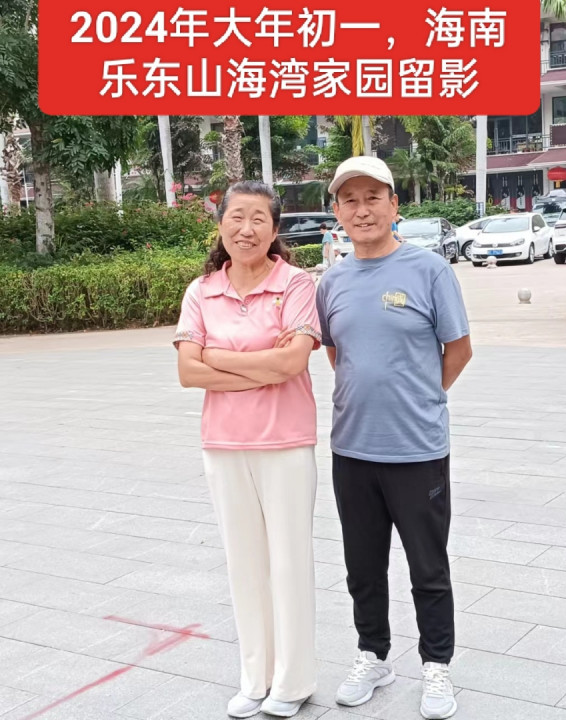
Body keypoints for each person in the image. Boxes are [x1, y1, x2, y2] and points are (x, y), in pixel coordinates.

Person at [316, 157, 472, 720]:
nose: (362, 210)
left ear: (394, 205)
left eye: (373, 198)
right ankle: (373, 655)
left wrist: (421, 397)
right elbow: (336, 352)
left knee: (428, 567)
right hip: (352, 448)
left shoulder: (429, 270)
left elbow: (459, 349)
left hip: (417, 449)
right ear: (338, 212)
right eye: (350, 200)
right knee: (362, 566)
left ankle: (437, 664)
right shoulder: (331, 281)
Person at [174, 181, 322, 719]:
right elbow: (188, 373)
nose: (246, 229)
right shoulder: (201, 291)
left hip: (285, 443)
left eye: (259, 218)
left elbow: (292, 363)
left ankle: (293, 681)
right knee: (244, 565)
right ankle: (254, 677)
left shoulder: (296, 284)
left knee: (289, 562)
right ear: (220, 226)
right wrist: (262, 367)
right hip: (223, 443)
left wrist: (216, 356)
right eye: (236, 217)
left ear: (275, 229)